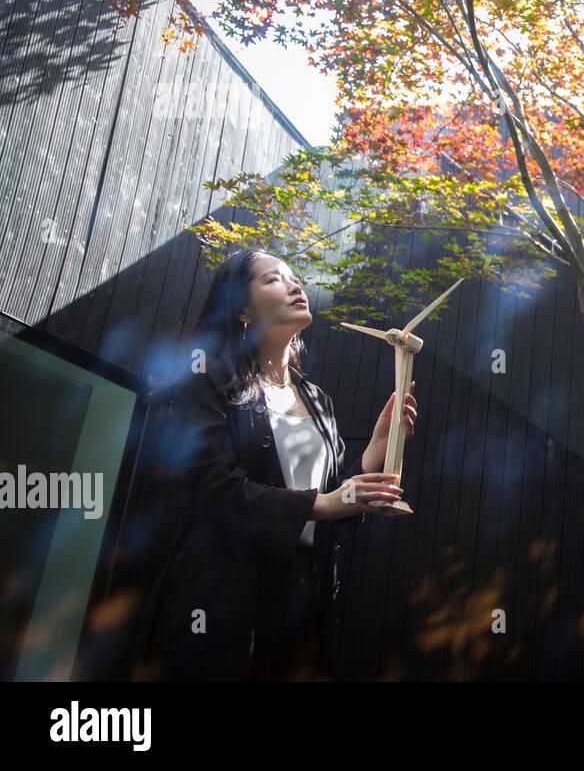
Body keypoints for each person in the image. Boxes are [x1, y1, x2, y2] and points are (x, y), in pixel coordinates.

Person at [132, 248, 418, 680]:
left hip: (302, 607)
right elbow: (217, 489)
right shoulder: (205, 378)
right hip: (219, 607)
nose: (295, 285)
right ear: (242, 309)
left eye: (294, 277)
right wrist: (321, 505)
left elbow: (330, 491)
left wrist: (376, 449)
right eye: (273, 279)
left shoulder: (319, 401)